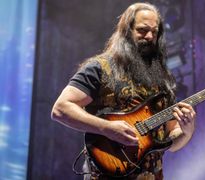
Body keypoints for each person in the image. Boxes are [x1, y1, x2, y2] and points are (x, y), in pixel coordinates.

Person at [51, 2, 196, 180]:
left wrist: (186, 131)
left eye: (155, 31)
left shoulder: (163, 80)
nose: (150, 36)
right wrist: (107, 128)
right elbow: (61, 108)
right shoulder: (100, 68)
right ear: (126, 31)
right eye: (142, 30)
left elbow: (171, 140)